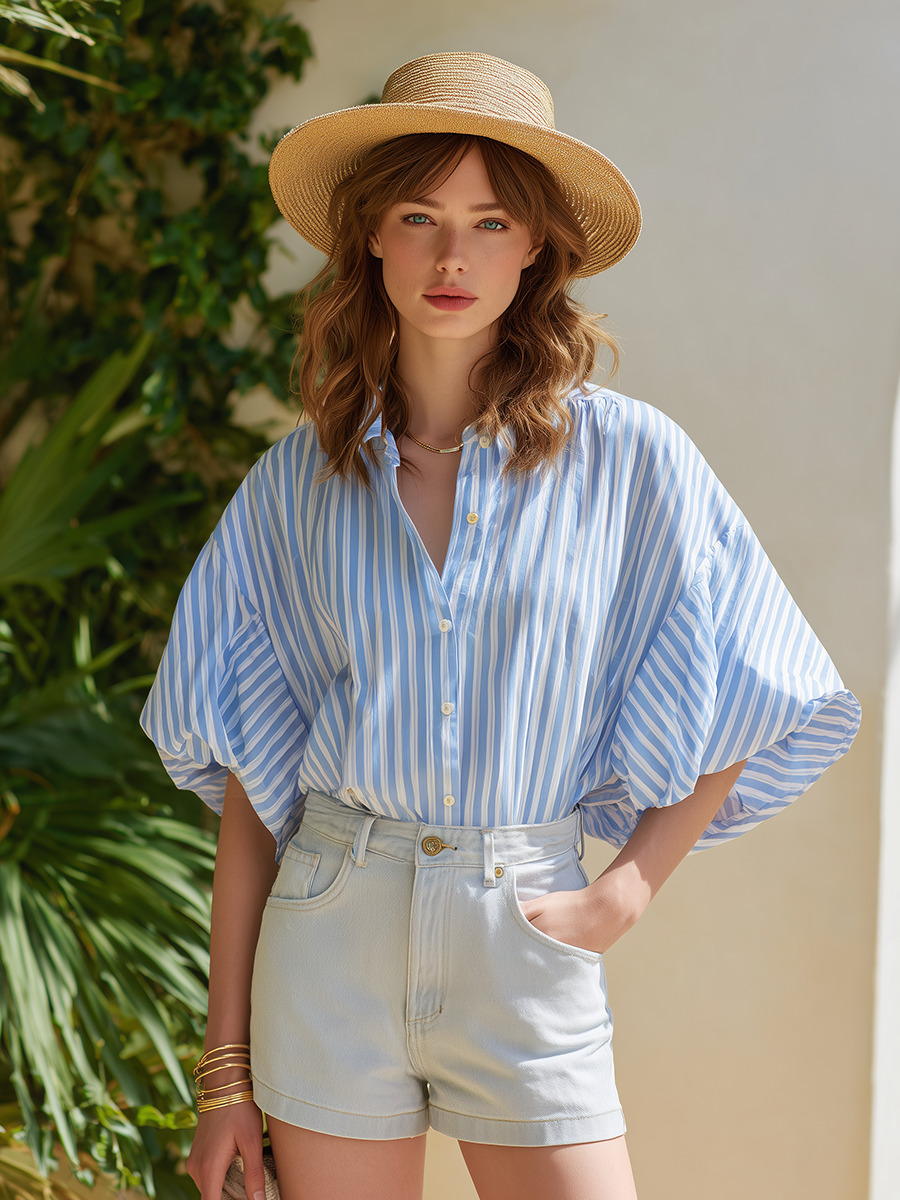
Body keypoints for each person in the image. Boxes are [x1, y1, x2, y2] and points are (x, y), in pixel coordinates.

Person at [140, 53, 861, 1200]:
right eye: (419, 214)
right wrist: (224, 1073)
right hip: (330, 932)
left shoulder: (633, 461)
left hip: (522, 927)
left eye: (490, 220)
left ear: (536, 248)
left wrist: (624, 889)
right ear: (370, 234)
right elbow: (250, 796)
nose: (451, 254)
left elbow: (756, 680)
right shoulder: (293, 486)